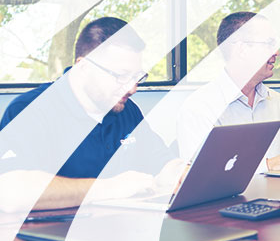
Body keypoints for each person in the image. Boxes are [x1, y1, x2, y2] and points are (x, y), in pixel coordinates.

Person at [0, 17, 177, 212]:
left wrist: (178, 171)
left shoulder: (126, 109)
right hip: (51, 237)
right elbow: (11, 192)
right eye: (121, 76)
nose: (132, 88)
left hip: (120, 230)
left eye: (137, 77)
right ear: (83, 67)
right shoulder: (30, 109)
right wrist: (110, 187)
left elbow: (161, 162)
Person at [177, 12, 280, 174]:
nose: (277, 52)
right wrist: (268, 165)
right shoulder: (199, 107)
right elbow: (202, 175)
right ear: (242, 49)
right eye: (269, 44)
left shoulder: (277, 101)